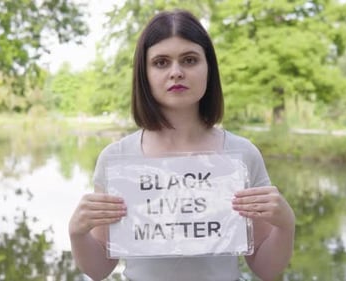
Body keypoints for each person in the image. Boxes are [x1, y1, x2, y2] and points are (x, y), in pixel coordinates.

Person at [68, 9, 295, 281]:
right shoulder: (118, 159)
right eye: (161, 62)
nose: (176, 72)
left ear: (208, 67)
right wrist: (77, 232)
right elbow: (99, 269)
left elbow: (267, 268)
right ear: (144, 73)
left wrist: (286, 224)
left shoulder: (241, 156)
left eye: (189, 60)